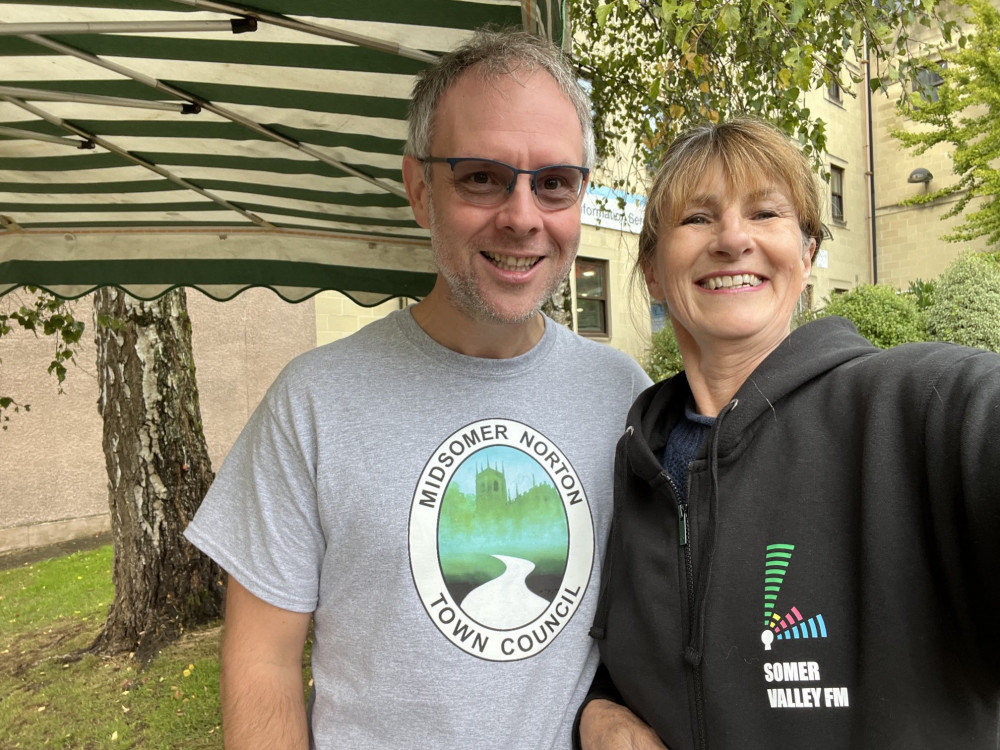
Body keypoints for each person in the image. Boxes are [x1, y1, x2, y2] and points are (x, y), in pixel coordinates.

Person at [183, 27, 651, 750]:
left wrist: (605, 710)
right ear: (418, 188)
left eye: (553, 182)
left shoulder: (625, 398)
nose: (523, 216)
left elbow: (652, 623)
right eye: (482, 176)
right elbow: (262, 665)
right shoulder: (313, 403)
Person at [577, 118, 1000, 749]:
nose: (732, 238)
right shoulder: (640, 464)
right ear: (654, 273)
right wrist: (600, 712)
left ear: (805, 256)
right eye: (697, 218)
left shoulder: (910, 412)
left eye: (766, 212)